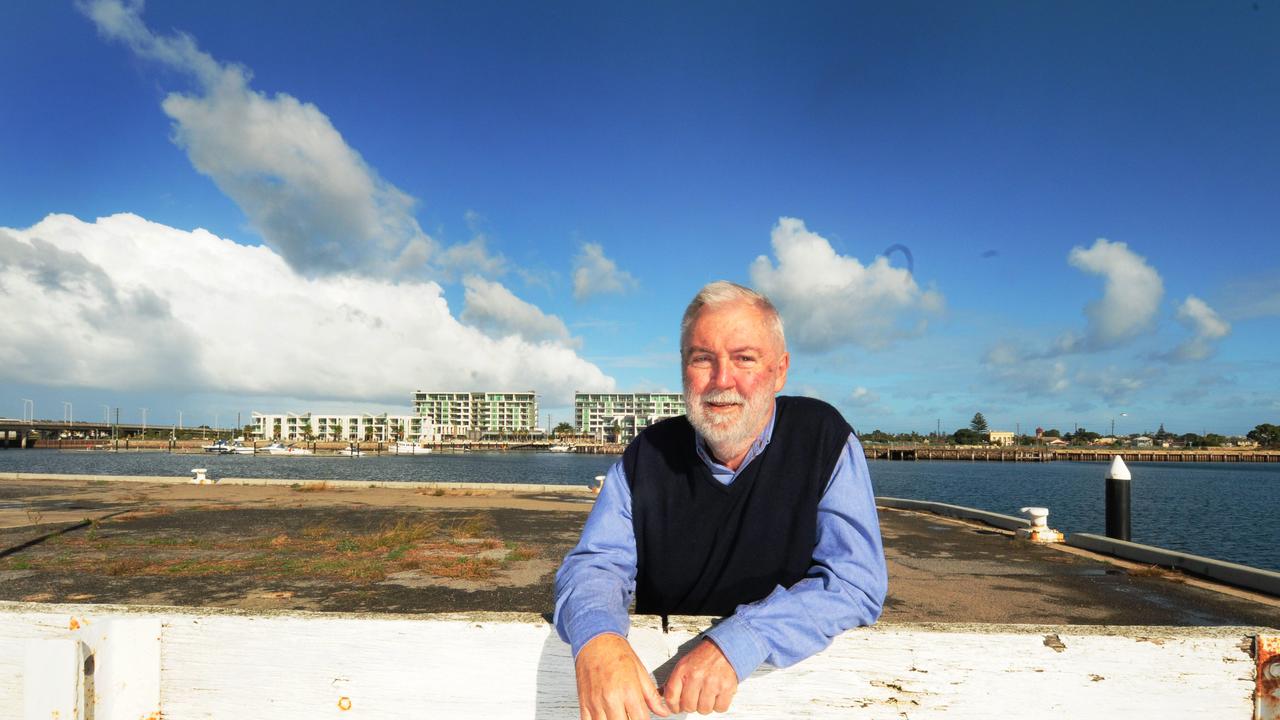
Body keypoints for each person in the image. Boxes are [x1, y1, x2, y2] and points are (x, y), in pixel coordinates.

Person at [554, 280, 888, 718]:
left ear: (780, 370)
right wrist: (597, 638)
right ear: (683, 367)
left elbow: (855, 581)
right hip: (670, 703)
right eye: (702, 359)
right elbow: (596, 563)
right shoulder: (647, 455)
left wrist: (741, 640)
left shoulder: (823, 438)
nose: (722, 380)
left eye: (744, 358)